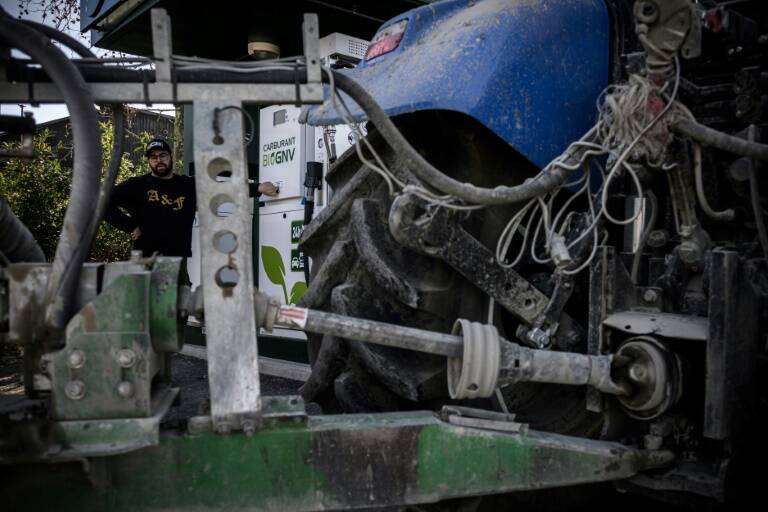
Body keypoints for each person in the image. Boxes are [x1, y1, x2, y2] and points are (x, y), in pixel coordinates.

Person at [105, 138, 277, 259]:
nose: (159, 161)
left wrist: (258, 188)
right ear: (149, 161)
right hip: (144, 259)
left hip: (177, 260)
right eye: (153, 157)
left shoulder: (188, 185)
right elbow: (103, 203)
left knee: (178, 307)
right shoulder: (137, 185)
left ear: (171, 156)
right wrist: (129, 226)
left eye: (163, 155)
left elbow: (222, 188)